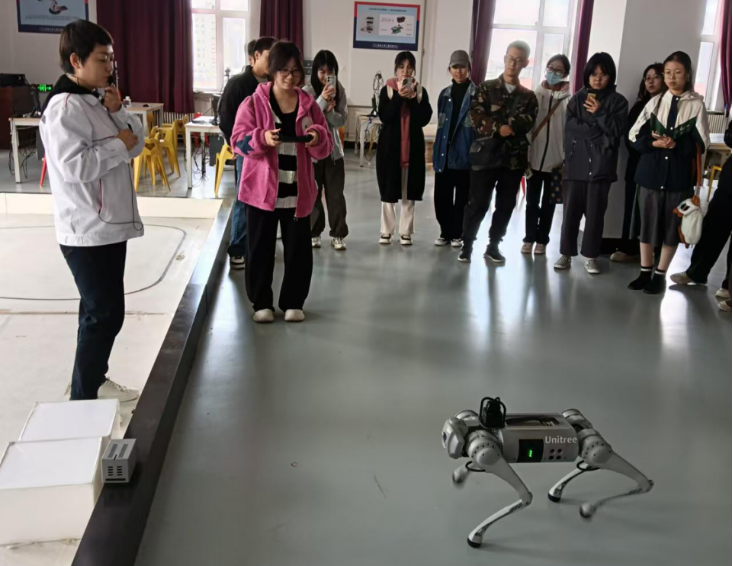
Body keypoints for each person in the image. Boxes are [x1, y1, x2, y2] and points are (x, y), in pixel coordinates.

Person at [40, 21, 145, 402]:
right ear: (75, 61)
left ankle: (91, 381)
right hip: (87, 229)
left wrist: (118, 113)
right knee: (104, 315)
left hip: (108, 226)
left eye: (111, 59)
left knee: (98, 313)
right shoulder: (64, 108)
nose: (110, 66)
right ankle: (83, 398)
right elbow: (74, 167)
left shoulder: (98, 101)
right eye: (102, 59)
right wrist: (118, 144)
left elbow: (136, 144)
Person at [231, 41, 333, 323]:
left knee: (298, 252)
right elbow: (237, 141)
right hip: (261, 194)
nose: (290, 77)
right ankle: (261, 303)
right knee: (259, 249)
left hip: (297, 194)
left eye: (295, 71)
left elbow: (325, 147)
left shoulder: (309, 104)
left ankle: (293, 302)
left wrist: (316, 136)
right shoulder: (253, 103)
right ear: (272, 71)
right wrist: (261, 138)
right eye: (283, 71)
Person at [628, 51, 709, 295]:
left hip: (677, 178)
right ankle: (645, 272)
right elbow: (634, 136)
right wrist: (653, 143)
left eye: (678, 72)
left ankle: (660, 275)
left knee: (671, 229)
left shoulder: (696, 105)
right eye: (668, 73)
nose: (672, 78)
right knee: (646, 226)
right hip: (650, 175)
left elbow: (701, 144)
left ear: (687, 75)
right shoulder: (654, 103)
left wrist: (677, 145)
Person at [459, 41, 539, 264]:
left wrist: (507, 126)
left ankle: (493, 245)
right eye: (510, 58)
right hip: (485, 157)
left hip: (513, 161)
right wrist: (498, 127)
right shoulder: (486, 88)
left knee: (505, 205)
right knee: (477, 204)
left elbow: (528, 121)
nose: (513, 63)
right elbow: (476, 116)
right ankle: (467, 245)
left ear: (525, 63)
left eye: (518, 60)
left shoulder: (529, 96)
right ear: (504, 59)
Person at [554, 53, 628, 275]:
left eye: (603, 74)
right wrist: (600, 135)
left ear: (610, 76)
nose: (597, 78)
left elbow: (616, 132)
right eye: (594, 74)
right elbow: (571, 127)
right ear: (587, 75)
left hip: (601, 169)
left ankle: (591, 257)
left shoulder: (618, 101)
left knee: (595, 216)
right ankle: (565, 254)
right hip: (575, 166)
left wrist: (600, 112)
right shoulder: (577, 99)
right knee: (570, 215)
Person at [218, 36, 276, 270]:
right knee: (245, 198)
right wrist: (237, 145)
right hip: (248, 151)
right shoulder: (239, 84)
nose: (274, 62)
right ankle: (238, 249)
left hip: (270, 151)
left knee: (267, 198)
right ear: (255, 56)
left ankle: (258, 246)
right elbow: (226, 118)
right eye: (269, 57)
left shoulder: (274, 83)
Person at [611, 63, 667, 263]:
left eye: (655, 77)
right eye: (647, 78)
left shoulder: (671, 107)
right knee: (632, 209)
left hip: (661, 168)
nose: (650, 81)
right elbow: (630, 138)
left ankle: (654, 252)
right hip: (637, 165)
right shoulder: (639, 107)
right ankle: (629, 248)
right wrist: (650, 144)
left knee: (657, 212)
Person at [376, 51, 433, 246]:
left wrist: (411, 99)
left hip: (412, 149)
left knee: (410, 192)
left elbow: (423, 119)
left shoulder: (420, 91)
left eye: (409, 67)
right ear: (396, 69)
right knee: (388, 190)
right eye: (402, 67)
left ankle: (406, 232)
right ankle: (386, 230)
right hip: (390, 149)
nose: (405, 71)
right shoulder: (388, 90)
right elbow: (385, 116)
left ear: (414, 70)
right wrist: (399, 98)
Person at [671, 121, 731, 305]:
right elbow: (729, 137)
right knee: (713, 227)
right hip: (730, 181)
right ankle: (696, 272)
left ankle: (729, 286)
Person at [522, 54, 572, 256]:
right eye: (551, 68)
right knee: (531, 202)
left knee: (549, 204)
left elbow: (570, 132)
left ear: (565, 74)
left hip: (556, 162)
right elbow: (527, 128)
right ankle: (529, 238)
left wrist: (566, 157)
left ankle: (542, 240)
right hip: (534, 160)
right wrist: (526, 155)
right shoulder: (535, 96)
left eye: (558, 70)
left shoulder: (569, 101)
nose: (553, 72)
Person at [303, 50, 350, 252]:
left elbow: (341, 120)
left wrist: (330, 111)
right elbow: (307, 118)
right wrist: (322, 100)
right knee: (313, 194)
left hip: (333, 152)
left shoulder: (339, 90)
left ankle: (338, 234)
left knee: (336, 194)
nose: (325, 75)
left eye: (330, 71)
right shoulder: (307, 90)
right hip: (312, 154)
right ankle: (314, 232)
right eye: (322, 71)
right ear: (315, 71)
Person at [432, 50, 477, 249]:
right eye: (455, 67)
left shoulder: (477, 95)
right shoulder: (444, 95)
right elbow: (442, 126)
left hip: (466, 154)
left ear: (469, 68)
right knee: (441, 197)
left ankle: (458, 233)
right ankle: (445, 232)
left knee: (462, 199)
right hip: (444, 154)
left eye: (462, 67)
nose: (459, 71)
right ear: (449, 69)